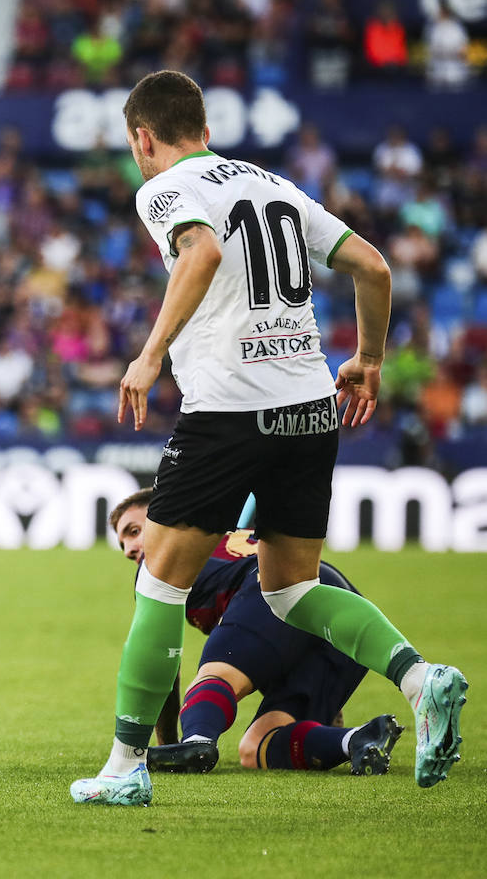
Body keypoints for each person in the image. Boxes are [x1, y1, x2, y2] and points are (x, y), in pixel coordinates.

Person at [70, 70, 467, 806]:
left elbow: (202, 254)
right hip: (311, 406)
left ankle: (124, 770)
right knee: (291, 592)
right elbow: (372, 267)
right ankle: (421, 678)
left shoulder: (162, 188)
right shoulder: (271, 183)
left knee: (159, 581)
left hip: (228, 410)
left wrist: (151, 353)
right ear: (207, 128)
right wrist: (368, 360)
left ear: (142, 137)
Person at [109, 488, 403, 776]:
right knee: (257, 746)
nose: (130, 549)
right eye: (123, 545)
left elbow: (160, 659)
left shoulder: (163, 560)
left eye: (134, 531)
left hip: (273, 589)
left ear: (163, 518)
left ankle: (198, 741)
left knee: (215, 678)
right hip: (338, 600)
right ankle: (357, 740)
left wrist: (170, 744)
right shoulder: (226, 539)